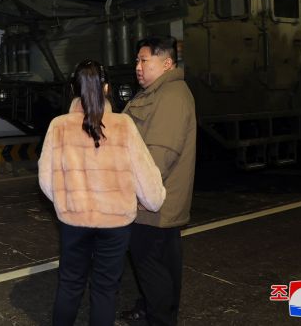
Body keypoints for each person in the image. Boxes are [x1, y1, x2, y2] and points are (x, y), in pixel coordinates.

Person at [38, 59, 166, 326]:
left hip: (74, 222)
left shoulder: (58, 126)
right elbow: (145, 175)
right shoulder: (123, 124)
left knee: (70, 283)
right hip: (115, 223)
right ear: (106, 88)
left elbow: (46, 179)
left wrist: (67, 203)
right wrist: (153, 201)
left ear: (74, 89)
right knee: (105, 288)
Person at [120, 36, 196, 326]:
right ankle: (150, 309)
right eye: (137, 61)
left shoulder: (172, 96)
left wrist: (137, 193)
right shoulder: (154, 92)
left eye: (144, 60)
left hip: (153, 203)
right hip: (152, 201)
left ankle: (161, 319)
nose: (137, 67)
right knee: (161, 264)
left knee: (152, 266)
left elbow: (160, 155)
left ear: (166, 63)